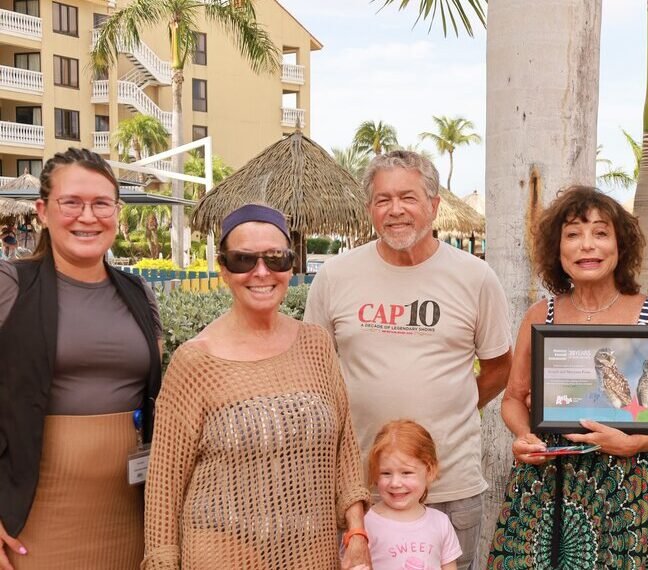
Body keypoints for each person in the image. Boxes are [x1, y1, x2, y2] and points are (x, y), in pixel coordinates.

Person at [304, 149, 513, 570]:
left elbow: (498, 367)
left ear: (434, 206)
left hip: (449, 487)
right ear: (370, 209)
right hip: (358, 490)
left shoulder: (475, 278)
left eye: (408, 197)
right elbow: (315, 370)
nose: (395, 210)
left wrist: (450, 408)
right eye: (383, 199)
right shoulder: (335, 277)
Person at [143, 204, 371, 569]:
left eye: (276, 258)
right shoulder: (196, 362)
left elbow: (344, 448)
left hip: (311, 552)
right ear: (223, 269)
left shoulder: (316, 344)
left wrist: (357, 533)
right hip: (222, 553)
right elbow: (164, 487)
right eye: (243, 259)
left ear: (291, 264)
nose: (261, 272)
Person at [487, 186, 648, 569]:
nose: (586, 246)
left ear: (619, 246)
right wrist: (524, 436)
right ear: (557, 249)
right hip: (547, 479)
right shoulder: (539, 316)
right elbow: (513, 398)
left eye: (600, 233)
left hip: (630, 485)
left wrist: (636, 444)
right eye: (573, 234)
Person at [0, 148, 162, 570]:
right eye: (71, 202)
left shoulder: (139, 294)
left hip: (132, 516)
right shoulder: (9, 285)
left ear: (116, 211)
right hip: (34, 516)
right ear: (43, 211)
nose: (87, 217)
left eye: (101, 203)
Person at [361, 420, 462, 570]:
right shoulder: (365, 524)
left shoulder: (440, 523)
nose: (395, 483)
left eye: (406, 473)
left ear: (430, 470)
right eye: (386, 473)